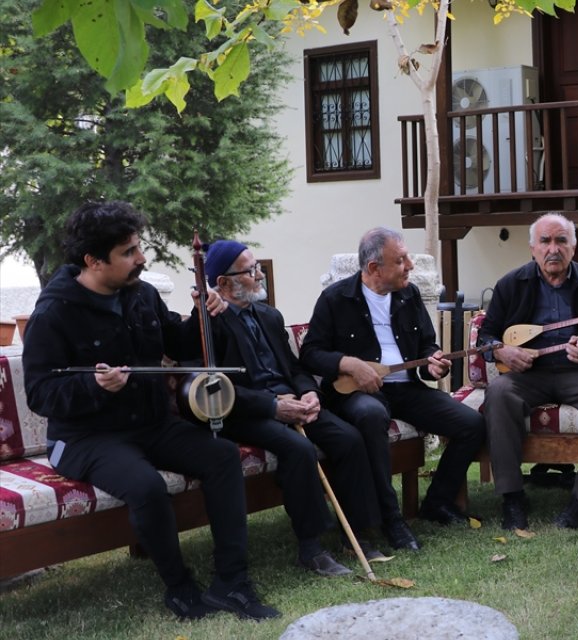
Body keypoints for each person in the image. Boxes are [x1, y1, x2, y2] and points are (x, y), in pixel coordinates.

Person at [22, 201, 279, 620]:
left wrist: (205, 316)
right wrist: (93, 385)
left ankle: (232, 582)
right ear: (93, 261)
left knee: (220, 456)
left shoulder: (140, 296)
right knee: (146, 486)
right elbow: (40, 392)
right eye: (128, 252)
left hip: (151, 423)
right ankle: (180, 588)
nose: (141, 258)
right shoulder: (54, 312)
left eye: (138, 248)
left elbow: (177, 345)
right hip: (87, 436)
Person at [201, 239, 389, 575]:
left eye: (258, 267)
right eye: (251, 271)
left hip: (293, 402)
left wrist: (308, 392)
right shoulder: (208, 325)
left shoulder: (269, 316)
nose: (260, 276)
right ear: (223, 283)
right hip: (245, 412)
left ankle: (356, 534)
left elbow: (295, 366)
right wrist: (273, 405)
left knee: (348, 439)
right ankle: (311, 548)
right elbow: (216, 388)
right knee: (299, 448)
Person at [301, 228, 485, 550]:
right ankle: (392, 519)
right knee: (371, 416)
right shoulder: (336, 299)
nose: (409, 265)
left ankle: (437, 503)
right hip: (358, 394)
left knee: (471, 424)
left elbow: (427, 344)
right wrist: (349, 363)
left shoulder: (408, 294)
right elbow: (311, 352)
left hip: (406, 388)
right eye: (400, 260)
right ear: (374, 268)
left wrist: (432, 363)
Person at [478, 213, 578, 530]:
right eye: (545, 241)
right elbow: (486, 336)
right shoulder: (511, 284)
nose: (553, 248)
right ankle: (512, 497)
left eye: (561, 240)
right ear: (533, 248)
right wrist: (502, 350)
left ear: (573, 247)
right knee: (499, 394)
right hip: (528, 374)